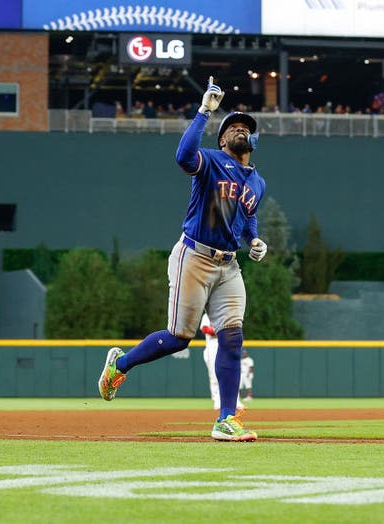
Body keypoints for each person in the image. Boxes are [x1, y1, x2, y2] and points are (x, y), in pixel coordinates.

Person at [98, 76, 267, 442]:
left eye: (245, 128)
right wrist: (205, 111)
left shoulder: (258, 183)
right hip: (194, 256)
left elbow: (248, 216)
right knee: (179, 338)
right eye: (232, 127)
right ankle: (120, 364)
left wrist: (254, 239)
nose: (239, 130)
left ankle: (225, 418)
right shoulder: (210, 160)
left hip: (229, 264)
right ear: (222, 139)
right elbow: (183, 157)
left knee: (233, 338)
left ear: (253, 140)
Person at [201, 313, 244, 411]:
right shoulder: (207, 315)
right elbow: (205, 329)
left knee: (232, 374)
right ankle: (217, 400)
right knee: (214, 375)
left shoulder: (227, 313)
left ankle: (235, 401)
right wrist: (223, 331)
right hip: (212, 347)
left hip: (228, 345)